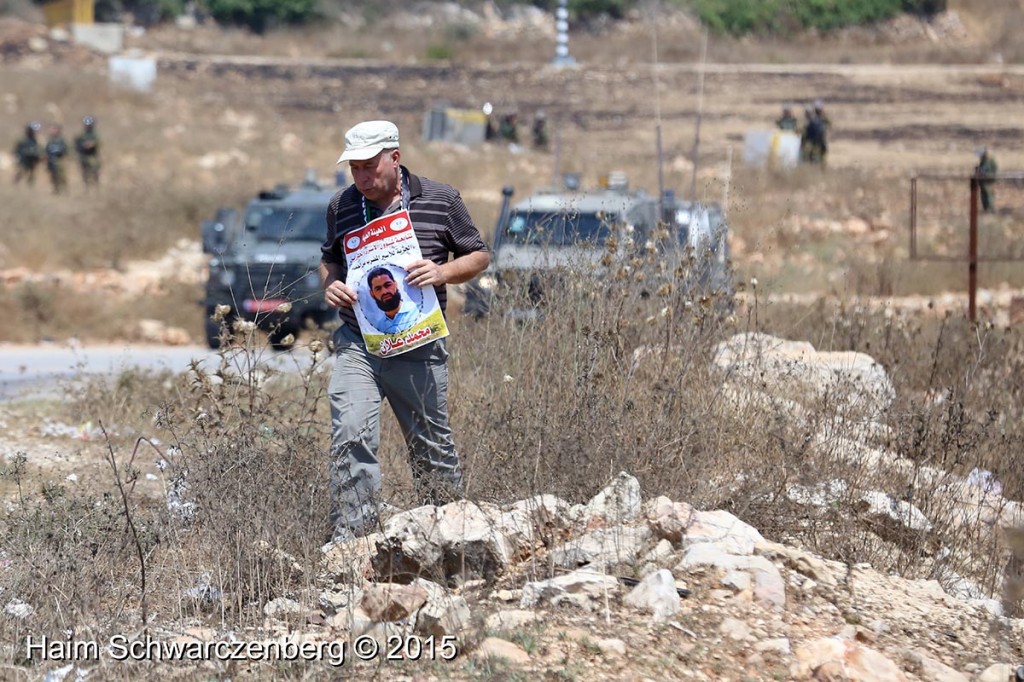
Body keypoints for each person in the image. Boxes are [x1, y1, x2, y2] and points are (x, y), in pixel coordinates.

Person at [320, 120, 490, 542]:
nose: (361, 176)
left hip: (417, 344)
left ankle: (449, 539)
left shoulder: (441, 198)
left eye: (369, 166)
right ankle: (353, 544)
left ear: (394, 158)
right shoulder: (342, 205)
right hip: (358, 343)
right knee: (351, 433)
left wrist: (443, 271)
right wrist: (330, 285)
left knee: (431, 448)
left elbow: (480, 255)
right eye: (353, 168)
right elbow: (329, 259)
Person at [366, 266, 418, 333]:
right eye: (378, 289)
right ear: (372, 294)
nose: (384, 292)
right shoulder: (379, 327)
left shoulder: (417, 310)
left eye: (387, 285)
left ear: (395, 285)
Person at [74, 115, 101, 187]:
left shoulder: (94, 135)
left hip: (92, 156)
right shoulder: (81, 135)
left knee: (94, 172)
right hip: (83, 156)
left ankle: (96, 186)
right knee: (85, 173)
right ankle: (86, 187)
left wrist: (91, 144)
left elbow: (98, 143)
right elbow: (76, 145)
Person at [44, 124, 68, 194]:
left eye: (55, 129)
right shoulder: (49, 140)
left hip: (59, 160)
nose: (53, 131)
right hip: (51, 160)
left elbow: (66, 150)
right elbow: (46, 150)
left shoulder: (61, 140)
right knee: (53, 176)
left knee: (62, 176)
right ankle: (56, 189)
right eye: (52, 129)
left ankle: (64, 190)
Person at [975, 147, 998, 213]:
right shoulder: (983, 161)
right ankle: (986, 208)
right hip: (983, 181)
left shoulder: (990, 161)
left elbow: (993, 170)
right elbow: (981, 169)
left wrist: (989, 176)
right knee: (984, 194)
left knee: (989, 195)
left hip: (989, 181)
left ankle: (990, 208)